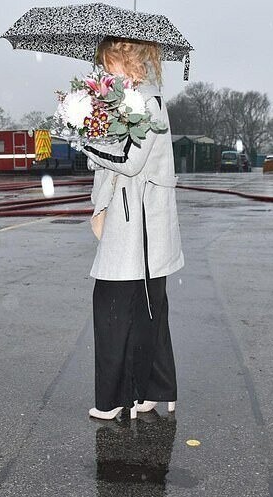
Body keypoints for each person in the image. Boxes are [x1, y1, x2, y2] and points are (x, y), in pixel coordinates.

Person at [82, 36, 184, 420]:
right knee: (147, 310)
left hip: (137, 225)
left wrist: (87, 139)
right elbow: (115, 160)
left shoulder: (149, 106)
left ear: (134, 64)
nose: (106, 73)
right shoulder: (136, 104)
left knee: (113, 308)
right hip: (139, 224)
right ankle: (154, 389)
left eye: (112, 64)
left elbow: (128, 161)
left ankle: (114, 399)